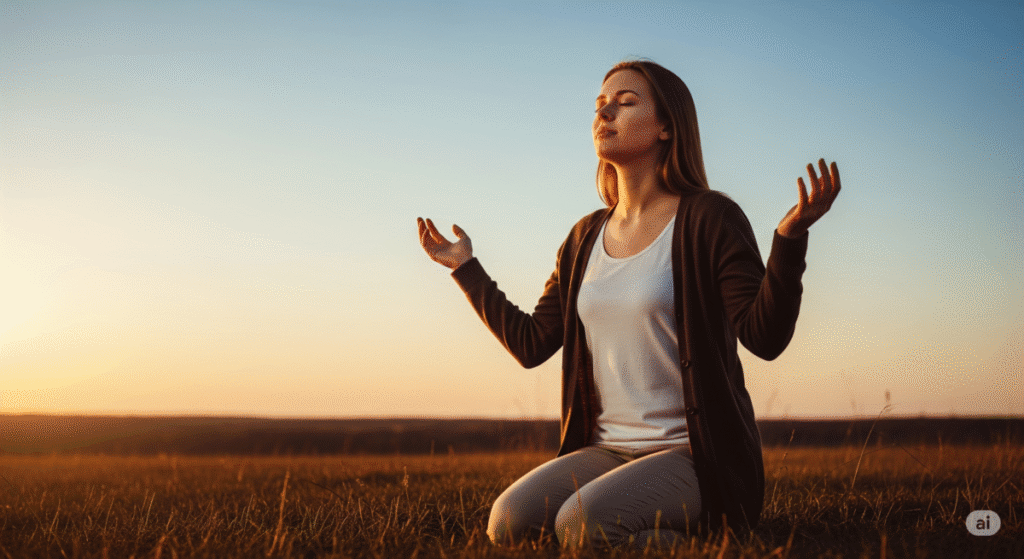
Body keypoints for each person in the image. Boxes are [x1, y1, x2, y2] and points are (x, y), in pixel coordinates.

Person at [416, 59, 840, 550]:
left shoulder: (710, 218)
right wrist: (466, 269)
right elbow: (532, 344)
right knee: (508, 522)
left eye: (626, 102)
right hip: (607, 453)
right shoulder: (583, 237)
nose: (605, 113)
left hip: (695, 458)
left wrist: (789, 240)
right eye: (600, 104)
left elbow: (765, 338)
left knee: (579, 525)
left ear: (666, 126)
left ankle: (711, 542)